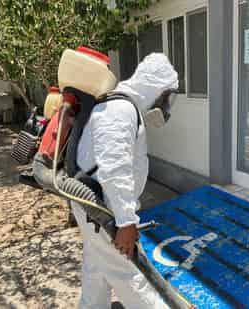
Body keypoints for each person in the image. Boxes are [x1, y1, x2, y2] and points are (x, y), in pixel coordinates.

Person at [71, 53, 179, 309]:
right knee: (132, 276)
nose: (165, 106)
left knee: (96, 268)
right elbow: (114, 169)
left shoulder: (121, 106)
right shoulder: (120, 109)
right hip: (103, 210)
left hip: (94, 208)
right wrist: (126, 222)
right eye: (166, 98)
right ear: (156, 88)